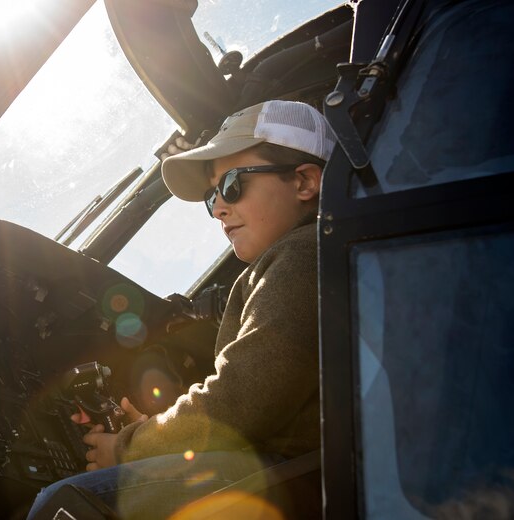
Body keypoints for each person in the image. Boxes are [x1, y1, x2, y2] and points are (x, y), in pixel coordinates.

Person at [26, 99, 336, 519]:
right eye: (212, 199)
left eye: (231, 186)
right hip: (296, 475)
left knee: (61, 506)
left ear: (304, 182)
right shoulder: (306, 256)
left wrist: (127, 447)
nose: (219, 210)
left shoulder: (302, 255)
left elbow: (241, 401)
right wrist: (153, 435)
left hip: (292, 480)